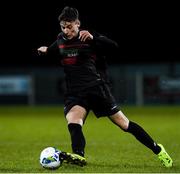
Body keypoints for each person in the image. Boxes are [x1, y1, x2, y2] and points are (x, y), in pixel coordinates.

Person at [37, 6, 173, 168]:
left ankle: (158, 149)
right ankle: (78, 155)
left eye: (69, 26)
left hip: (96, 88)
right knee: (74, 122)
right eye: (63, 27)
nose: (66, 30)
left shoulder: (88, 37)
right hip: (75, 93)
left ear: (78, 24)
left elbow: (114, 46)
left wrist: (94, 38)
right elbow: (53, 50)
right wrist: (45, 50)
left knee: (124, 124)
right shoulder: (60, 39)